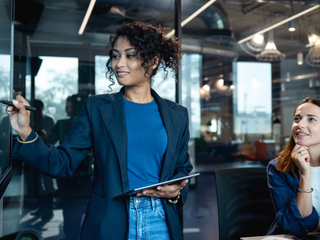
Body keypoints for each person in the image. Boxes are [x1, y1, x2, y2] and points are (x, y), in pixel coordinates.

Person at [7, 20, 192, 240]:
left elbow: (182, 169)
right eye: (115, 55)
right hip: (111, 222)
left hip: (160, 220)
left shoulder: (177, 114)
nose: (118, 64)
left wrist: (175, 192)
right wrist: (26, 131)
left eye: (130, 55)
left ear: (153, 61)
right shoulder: (97, 108)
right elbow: (63, 163)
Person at [267, 97, 320, 236]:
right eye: (297, 119)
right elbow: (296, 226)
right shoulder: (278, 168)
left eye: (311, 119)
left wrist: (313, 224)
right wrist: (305, 174)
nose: (300, 125)